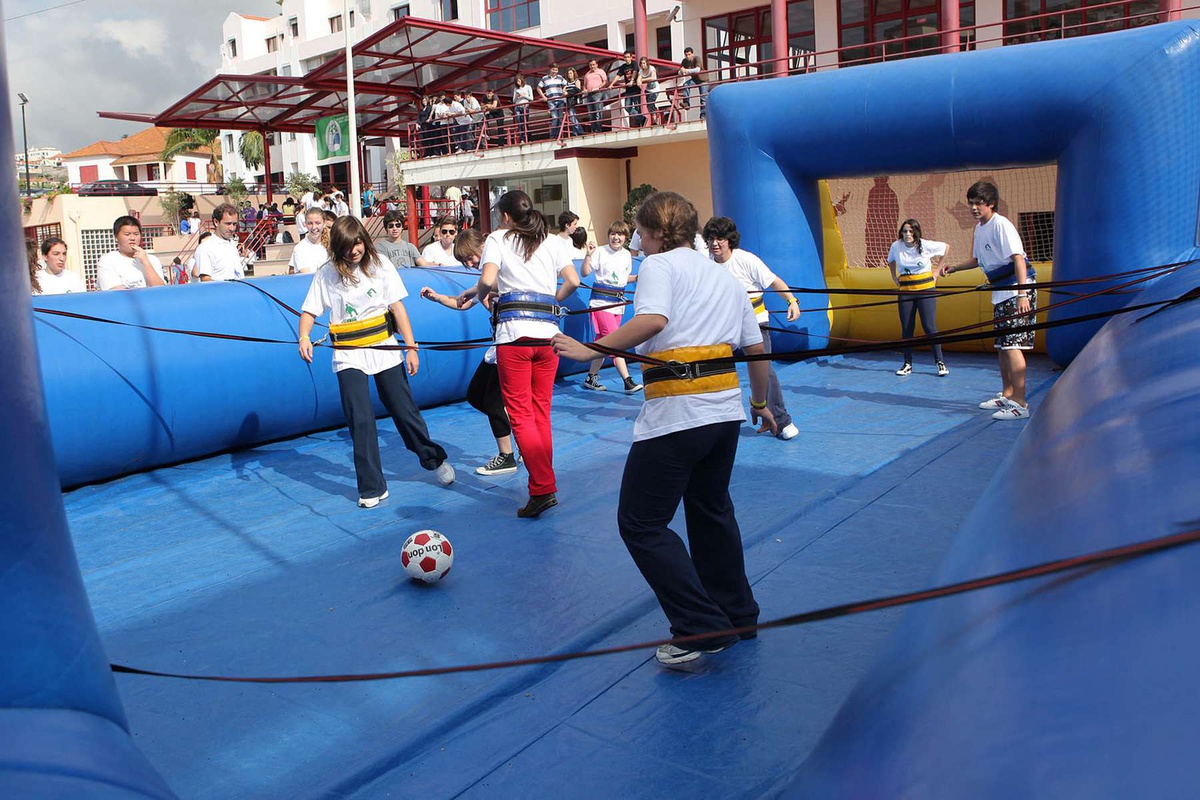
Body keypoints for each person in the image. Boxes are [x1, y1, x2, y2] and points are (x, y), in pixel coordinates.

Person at [551, 191, 776, 666]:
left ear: (653, 232)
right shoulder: (723, 276)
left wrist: (591, 350)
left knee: (640, 522)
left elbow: (653, 320)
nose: (638, 240)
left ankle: (701, 626)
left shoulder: (658, 266)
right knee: (711, 511)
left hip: (679, 414)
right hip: (724, 415)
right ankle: (738, 613)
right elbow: (755, 350)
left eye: (640, 231)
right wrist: (760, 403)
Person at [297, 216, 455, 506]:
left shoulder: (381, 264)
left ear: (364, 241)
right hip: (348, 355)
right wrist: (304, 337)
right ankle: (371, 486)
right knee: (360, 419)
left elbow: (398, 307)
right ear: (337, 249)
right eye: (346, 247)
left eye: (357, 243)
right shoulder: (327, 273)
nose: (354, 251)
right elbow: (309, 311)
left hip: (384, 346)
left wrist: (411, 347)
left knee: (404, 411)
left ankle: (432, 459)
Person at [458, 189, 580, 518]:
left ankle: (542, 488)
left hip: (514, 336)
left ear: (507, 217)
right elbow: (574, 280)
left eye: (500, 215)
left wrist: (477, 293)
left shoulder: (499, 238)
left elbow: (487, 279)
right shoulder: (553, 241)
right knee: (541, 413)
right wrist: (550, 299)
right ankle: (544, 484)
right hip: (549, 334)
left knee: (521, 415)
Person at [421, 229, 521, 476]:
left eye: (471, 258)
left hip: (513, 342)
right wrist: (437, 298)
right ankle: (513, 435)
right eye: (465, 261)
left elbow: (507, 287)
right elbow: (461, 302)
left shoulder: (502, 275)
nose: (470, 264)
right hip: (498, 345)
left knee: (492, 400)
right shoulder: (485, 281)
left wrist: (484, 291)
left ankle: (507, 454)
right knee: (476, 394)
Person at [941, 180, 1037, 420]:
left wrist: (1023, 294)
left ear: (991, 204)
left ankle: (1020, 403)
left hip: (1016, 289)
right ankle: (1007, 394)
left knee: (1012, 345)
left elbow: (1017, 258)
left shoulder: (1001, 225)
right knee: (1002, 346)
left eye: (979, 204)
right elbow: (977, 260)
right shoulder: (979, 228)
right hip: (1000, 290)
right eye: (971, 203)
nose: (974, 208)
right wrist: (954, 269)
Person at [702, 216, 801, 441]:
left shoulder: (747, 260)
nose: (715, 244)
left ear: (730, 240)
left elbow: (775, 281)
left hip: (755, 324)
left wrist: (792, 301)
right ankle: (716, 420)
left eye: (720, 239)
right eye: (711, 239)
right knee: (713, 368)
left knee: (763, 370)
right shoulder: (705, 263)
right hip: (722, 326)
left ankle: (781, 420)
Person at [579, 220, 641, 393]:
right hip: (601, 303)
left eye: (620, 234)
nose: (616, 237)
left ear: (625, 238)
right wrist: (588, 255)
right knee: (615, 341)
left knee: (603, 342)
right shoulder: (600, 251)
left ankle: (591, 377)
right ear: (608, 235)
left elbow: (622, 278)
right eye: (613, 234)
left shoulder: (627, 255)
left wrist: (636, 277)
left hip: (618, 304)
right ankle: (627, 380)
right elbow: (585, 272)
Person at [887, 218, 949, 377]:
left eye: (910, 231)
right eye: (905, 231)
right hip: (906, 290)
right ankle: (907, 363)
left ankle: (939, 362)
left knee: (929, 326)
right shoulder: (896, 246)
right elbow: (891, 261)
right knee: (907, 327)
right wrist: (894, 276)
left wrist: (936, 272)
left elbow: (946, 248)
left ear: (916, 232)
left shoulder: (925, 244)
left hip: (925, 289)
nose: (907, 234)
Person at [96, 216, 167, 290]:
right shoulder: (108, 260)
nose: (132, 238)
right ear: (116, 236)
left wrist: (146, 262)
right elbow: (114, 291)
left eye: (136, 234)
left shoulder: (152, 259)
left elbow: (160, 289)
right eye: (127, 234)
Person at [193, 203, 245, 282]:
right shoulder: (205, 248)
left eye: (234, 224)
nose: (232, 228)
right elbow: (206, 280)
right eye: (228, 224)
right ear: (216, 222)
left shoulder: (232, 244)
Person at [288, 206, 330, 274]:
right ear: (305, 224)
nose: (314, 227)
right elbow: (307, 276)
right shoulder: (300, 248)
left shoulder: (333, 245)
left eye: (317, 223)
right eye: (310, 223)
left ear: (324, 223)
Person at [608, 51, 643, 128]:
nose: (626, 59)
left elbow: (635, 72)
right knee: (627, 107)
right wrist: (612, 84)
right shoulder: (623, 67)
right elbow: (618, 75)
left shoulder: (634, 63)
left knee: (637, 107)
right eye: (625, 57)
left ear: (631, 57)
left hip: (636, 89)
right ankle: (642, 119)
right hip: (628, 90)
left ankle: (639, 124)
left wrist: (632, 81)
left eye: (628, 57)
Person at [537, 63, 568, 139]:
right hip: (551, 100)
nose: (555, 71)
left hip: (560, 99)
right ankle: (553, 135)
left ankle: (558, 135)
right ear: (550, 69)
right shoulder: (545, 78)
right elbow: (538, 88)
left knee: (560, 118)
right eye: (553, 69)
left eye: (556, 70)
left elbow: (566, 84)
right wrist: (543, 96)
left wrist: (564, 90)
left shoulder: (560, 78)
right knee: (555, 118)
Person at [678, 46, 706, 119]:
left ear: (692, 54)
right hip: (695, 79)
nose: (688, 56)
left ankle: (703, 115)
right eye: (686, 55)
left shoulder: (697, 58)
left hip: (703, 79)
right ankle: (686, 103)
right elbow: (680, 71)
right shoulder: (684, 61)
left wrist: (685, 71)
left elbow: (697, 70)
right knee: (686, 84)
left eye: (689, 54)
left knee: (703, 99)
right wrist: (681, 71)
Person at [581, 58, 608, 133]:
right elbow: (584, 85)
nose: (592, 66)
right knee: (591, 113)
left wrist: (598, 87)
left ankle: (598, 129)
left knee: (597, 112)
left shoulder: (600, 71)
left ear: (596, 64)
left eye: (593, 65)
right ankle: (593, 130)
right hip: (589, 94)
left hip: (598, 93)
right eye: (590, 65)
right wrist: (585, 89)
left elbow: (605, 81)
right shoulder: (587, 74)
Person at [637, 56, 660, 126]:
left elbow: (652, 78)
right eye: (641, 63)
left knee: (651, 103)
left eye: (644, 63)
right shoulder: (641, 71)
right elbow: (638, 79)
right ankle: (654, 120)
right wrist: (638, 81)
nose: (643, 65)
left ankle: (655, 120)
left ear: (647, 63)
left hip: (655, 89)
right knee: (649, 106)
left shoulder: (651, 68)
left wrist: (642, 80)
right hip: (648, 89)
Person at [563, 67, 584, 136]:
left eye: (571, 73)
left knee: (572, 116)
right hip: (568, 101)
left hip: (573, 100)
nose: (569, 75)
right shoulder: (567, 83)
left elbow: (578, 90)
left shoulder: (577, 81)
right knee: (571, 116)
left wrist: (568, 93)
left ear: (574, 73)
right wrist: (565, 92)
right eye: (568, 73)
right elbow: (563, 91)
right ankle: (575, 132)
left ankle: (580, 130)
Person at [512, 75, 533, 143]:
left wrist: (524, 95)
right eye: (516, 81)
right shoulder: (516, 89)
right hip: (517, 106)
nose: (518, 82)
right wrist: (517, 96)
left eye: (519, 80)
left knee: (525, 123)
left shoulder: (528, 87)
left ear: (522, 80)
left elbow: (531, 98)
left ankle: (529, 138)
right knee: (519, 123)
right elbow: (514, 101)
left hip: (525, 106)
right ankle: (522, 139)